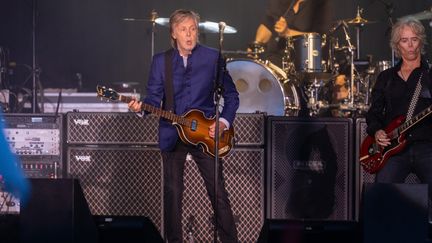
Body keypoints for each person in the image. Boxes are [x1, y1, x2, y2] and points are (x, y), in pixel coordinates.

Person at [128, 9, 239, 243]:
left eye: (193, 29)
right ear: (173, 33)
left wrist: (222, 122)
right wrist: (141, 109)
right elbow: (153, 99)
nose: (189, 35)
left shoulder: (212, 58)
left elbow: (232, 96)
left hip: (206, 135)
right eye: (183, 30)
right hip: (172, 134)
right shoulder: (161, 61)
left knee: (218, 194)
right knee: (173, 195)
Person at [365, 18, 432, 197]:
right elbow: (374, 113)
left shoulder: (429, 75)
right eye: (404, 40)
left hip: (426, 146)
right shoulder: (386, 78)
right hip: (393, 151)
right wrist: (377, 131)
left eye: (414, 39)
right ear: (397, 45)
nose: (410, 45)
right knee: (379, 195)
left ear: (421, 42)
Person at [252, 0, 332, 66]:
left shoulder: (320, 4)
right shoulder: (281, 3)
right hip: (274, 61)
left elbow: (321, 39)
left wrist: (288, 32)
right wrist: (256, 46)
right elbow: (268, 23)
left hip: (302, 65)